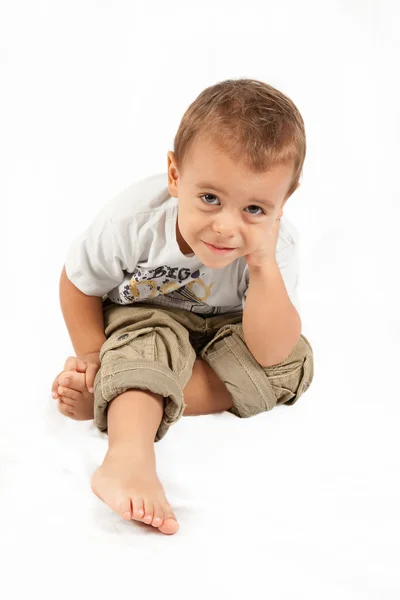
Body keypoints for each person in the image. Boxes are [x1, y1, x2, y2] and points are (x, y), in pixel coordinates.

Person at [51, 78, 315, 536]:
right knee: (145, 346)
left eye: (255, 208)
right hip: (149, 316)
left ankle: (121, 397)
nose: (227, 227)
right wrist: (94, 356)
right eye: (210, 199)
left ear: (283, 202)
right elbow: (77, 284)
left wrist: (264, 266)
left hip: (230, 330)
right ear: (175, 176)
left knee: (294, 362)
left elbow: (269, 352)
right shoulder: (135, 221)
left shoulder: (278, 246)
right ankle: (127, 457)